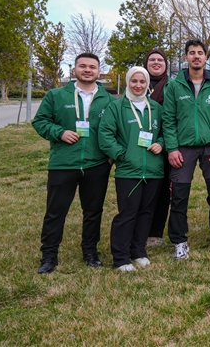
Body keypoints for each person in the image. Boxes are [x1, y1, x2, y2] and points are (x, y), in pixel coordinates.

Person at [32, 53, 115, 273]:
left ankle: (90, 252)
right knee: (55, 211)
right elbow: (40, 121)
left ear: (98, 71)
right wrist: (59, 133)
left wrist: (110, 157)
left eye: (92, 67)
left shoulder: (109, 100)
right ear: (74, 70)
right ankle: (49, 256)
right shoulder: (56, 95)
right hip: (63, 163)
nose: (88, 70)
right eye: (83, 66)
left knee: (93, 211)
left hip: (96, 165)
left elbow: (117, 131)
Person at [163, 40, 210, 259]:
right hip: (183, 148)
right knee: (180, 196)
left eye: (200, 53)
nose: (196, 56)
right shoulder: (174, 85)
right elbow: (168, 119)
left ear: (205, 57)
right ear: (186, 57)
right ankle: (179, 241)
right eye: (191, 53)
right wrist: (172, 148)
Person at [98, 66, 164, 271]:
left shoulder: (156, 108)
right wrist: (121, 155)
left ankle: (138, 250)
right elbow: (105, 134)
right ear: (128, 82)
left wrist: (161, 143)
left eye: (142, 82)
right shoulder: (117, 107)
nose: (138, 85)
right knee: (127, 214)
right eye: (134, 81)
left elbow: (166, 131)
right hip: (129, 170)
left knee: (146, 213)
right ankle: (121, 257)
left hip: (153, 170)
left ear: (147, 84)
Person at [145, 49, 172, 248]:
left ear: (166, 64)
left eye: (160, 60)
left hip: (165, 145)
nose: (156, 63)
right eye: (152, 60)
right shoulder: (137, 83)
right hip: (140, 146)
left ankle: (155, 232)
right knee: (140, 189)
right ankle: (140, 228)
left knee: (162, 190)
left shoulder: (172, 86)